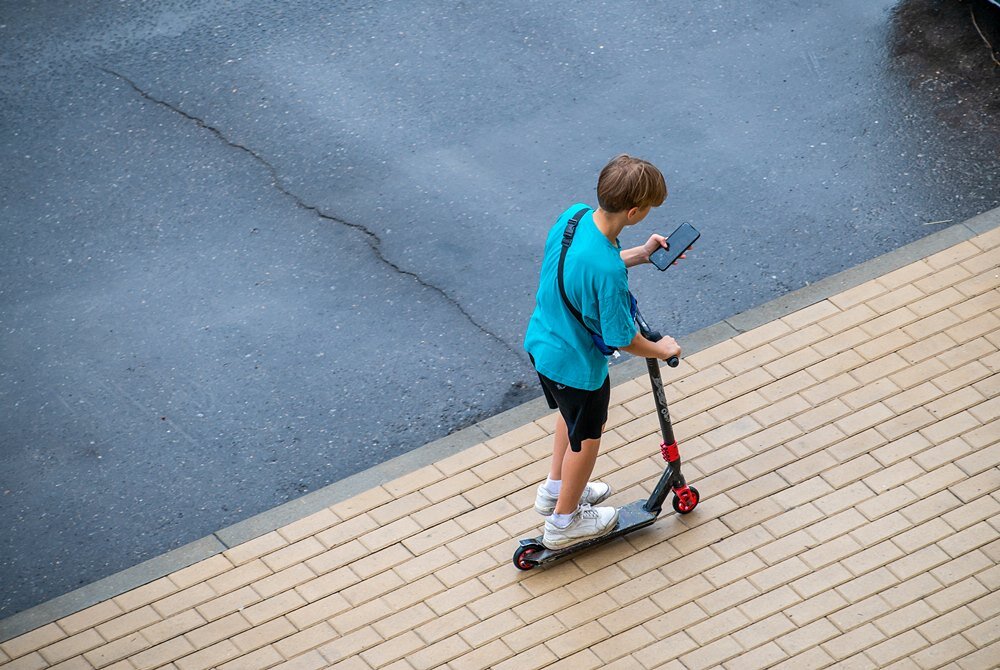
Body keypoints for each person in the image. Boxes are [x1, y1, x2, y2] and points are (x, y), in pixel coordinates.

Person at [523, 154, 683, 549]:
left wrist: (641, 254)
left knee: (570, 421)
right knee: (588, 439)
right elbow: (622, 338)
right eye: (649, 208)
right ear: (634, 212)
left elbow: (586, 266)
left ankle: (555, 489)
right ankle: (564, 522)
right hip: (577, 366)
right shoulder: (608, 273)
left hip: (544, 342)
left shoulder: (574, 218)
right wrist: (660, 349)